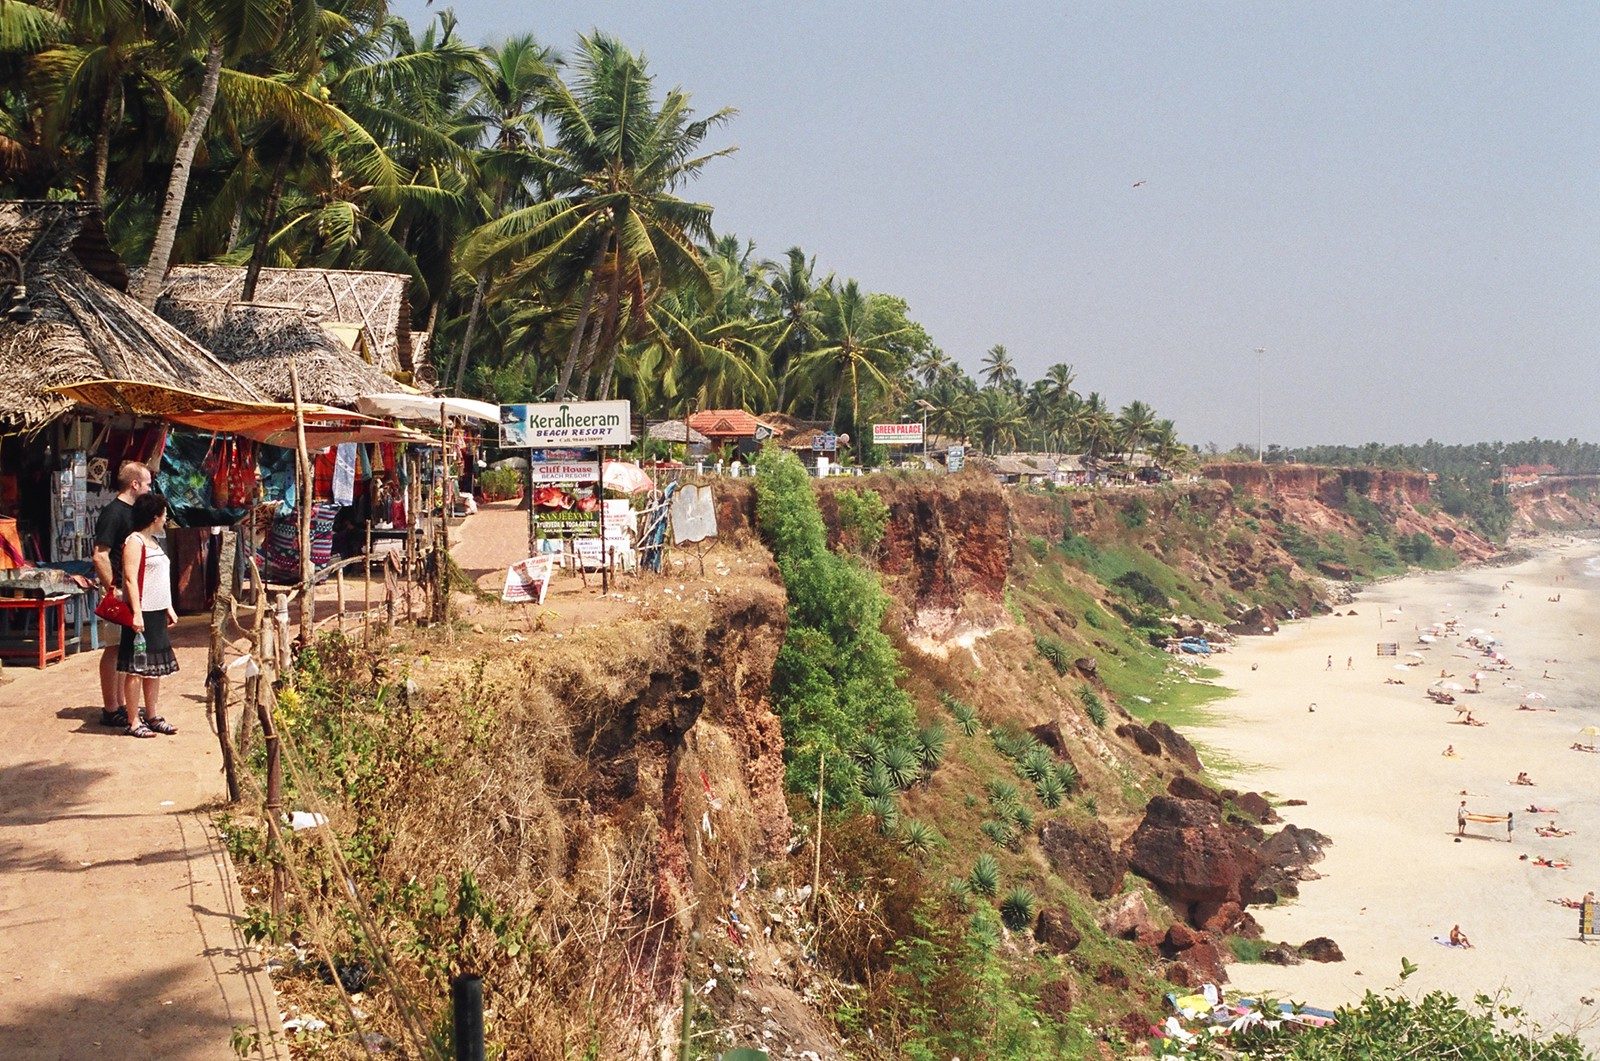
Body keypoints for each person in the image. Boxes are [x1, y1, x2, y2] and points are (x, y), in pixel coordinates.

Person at [92, 461, 151, 727]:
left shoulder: (132, 513)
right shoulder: (114, 513)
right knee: (114, 649)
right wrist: (112, 588)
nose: (149, 488)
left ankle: (119, 703)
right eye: (147, 483)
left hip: (130, 591)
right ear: (134, 484)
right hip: (119, 592)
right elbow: (100, 555)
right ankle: (110, 707)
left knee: (123, 648)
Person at [117, 493, 179, 738]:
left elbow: (160, 580)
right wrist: (136, 612)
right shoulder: (134, 541)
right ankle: (133, 721)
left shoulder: (154, 541)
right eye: (164, 515)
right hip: (141, 613)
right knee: (136, 668)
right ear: (155, 517)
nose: (165, 520)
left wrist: (168, 606)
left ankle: (152, 715)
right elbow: (130, 578)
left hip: (156, 613)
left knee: (154, 668)